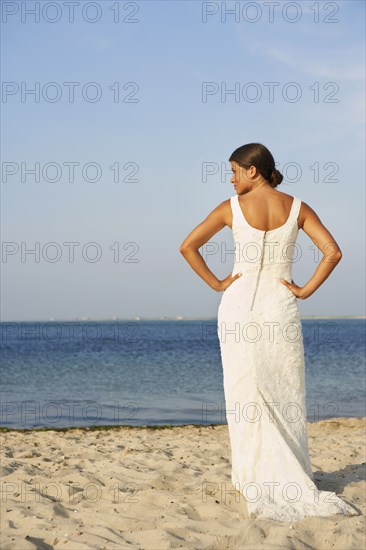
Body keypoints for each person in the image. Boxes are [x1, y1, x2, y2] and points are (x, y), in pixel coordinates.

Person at [179, 143, 359, 521]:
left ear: (253, 171)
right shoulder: (297, 207)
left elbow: (188, 246)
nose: (230, 179)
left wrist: (217, 283)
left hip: (239, 304)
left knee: (244, 390)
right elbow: (333, 252)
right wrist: (305, 290)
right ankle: (290, 475)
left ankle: (253, 478)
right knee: (283, 388)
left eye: (233, 171)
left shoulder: (230, 208)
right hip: (280, 304)